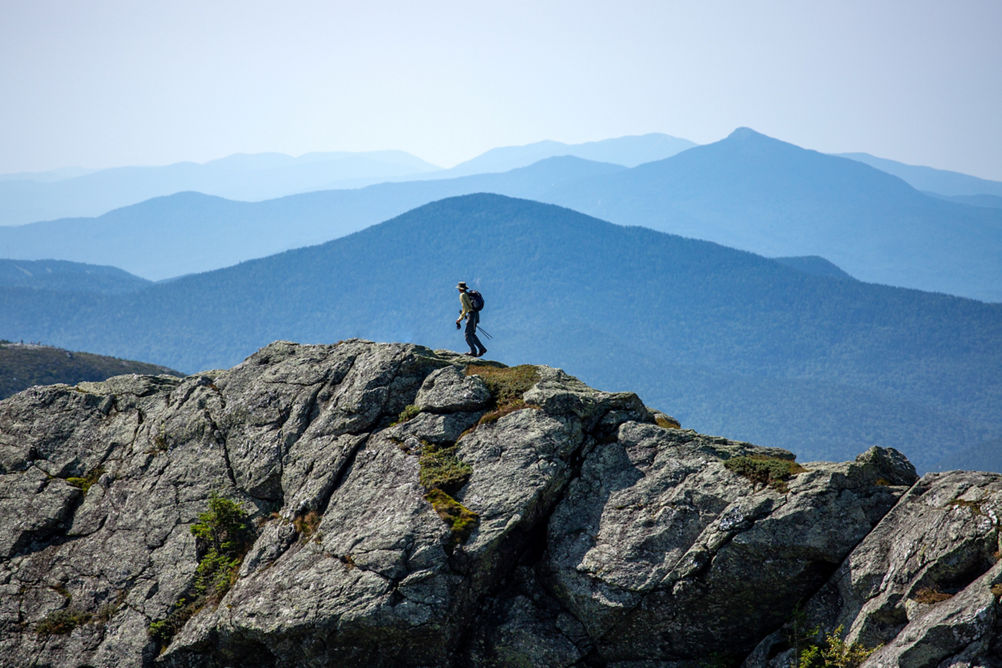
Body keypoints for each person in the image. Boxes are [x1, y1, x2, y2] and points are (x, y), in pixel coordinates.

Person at [455, 281, 487, 357]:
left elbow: (465, 308)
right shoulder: (469, 294)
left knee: (467, 334)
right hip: (476, 315)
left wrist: (459, 319)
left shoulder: (462, 295)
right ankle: (481, 348)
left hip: (471, 315)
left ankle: (473, 351)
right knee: (472, 333)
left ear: (460, 289)